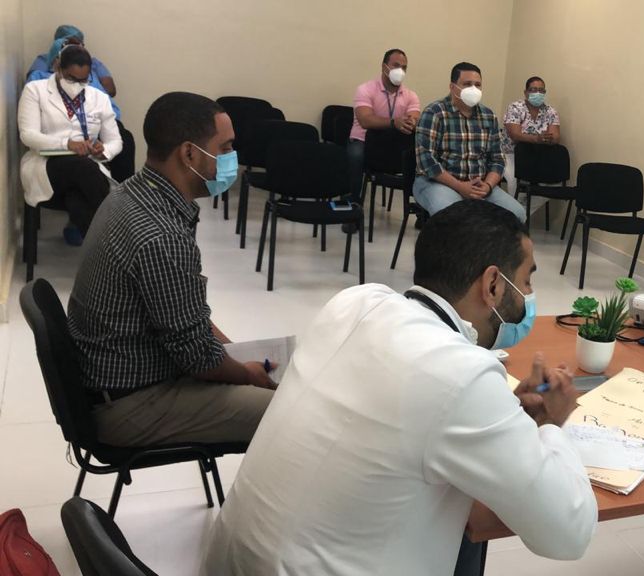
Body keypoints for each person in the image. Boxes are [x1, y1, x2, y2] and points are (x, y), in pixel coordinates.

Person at [202, 200, 596, 576]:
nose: (528, 297)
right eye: (526, 281)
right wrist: (550, 424)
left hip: (230, 560)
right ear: (493, 284)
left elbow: (407, 414)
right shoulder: (463, 373)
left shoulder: (356, 302)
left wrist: (505, 413)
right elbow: (569, 533)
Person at [67, 92, 276, 448]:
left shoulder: (130, 193)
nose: (232, 159)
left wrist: (235, 351)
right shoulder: (161, 235)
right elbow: (197, 358)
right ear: (189, 154)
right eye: (225, 148)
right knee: (295, 415)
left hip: (116, 380)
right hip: (130, 404)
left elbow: (185, 317)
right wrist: (246, 373)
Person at [18, 44, 122, 245]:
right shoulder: (35, 90)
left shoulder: (99, 98)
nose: (77, 85)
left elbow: (115, 141)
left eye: (84, 80)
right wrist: (67, 144)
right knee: (83, 168)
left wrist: (103, 151)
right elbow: (28, 135)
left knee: (78, 202)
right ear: (58, 68)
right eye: (71, 78)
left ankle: (104, 252)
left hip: (86, 171)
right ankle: (119, 232)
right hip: (47, 165)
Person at [414, 62, 527, 222]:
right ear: (452, 87)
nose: (473, 89)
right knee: (456, 218)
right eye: (467, 84)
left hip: (480, 186)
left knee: (517, 215)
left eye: (477, 85)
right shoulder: (434, 113)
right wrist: (460, 186)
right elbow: (426, 161)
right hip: (438, 183)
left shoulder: (488, 116)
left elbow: (498, 159)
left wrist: (487, 186)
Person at [346, 48, 421, 198]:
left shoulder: (411, 96)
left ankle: (416, 204)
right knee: (355, 155)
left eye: (404, 67)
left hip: (392, 144)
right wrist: (394, 123)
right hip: (363, 141)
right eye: (396, 65)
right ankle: (352, 200)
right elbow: (365, 120)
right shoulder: (365, 89)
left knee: (418, 156)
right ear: (384, 66)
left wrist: (410, 122)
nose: (400, 71)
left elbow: (413, 119)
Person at [502, 76, 561, 197]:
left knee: (553, 183)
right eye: (533, 90)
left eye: (541, 90)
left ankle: (523, 207)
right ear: (525, 92)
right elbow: (515, 135)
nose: (537, 93)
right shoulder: (515, 107)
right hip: (511, 154)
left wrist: (548, 139)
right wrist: (537, 139)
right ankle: (516, 206)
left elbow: (555, 137)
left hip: (537, 155)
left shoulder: (550, 111)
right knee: (514, 180)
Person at [27, 25, 117, 98]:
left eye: (79, 45)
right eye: (69, 44)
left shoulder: (93, 73)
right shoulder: (40, 70)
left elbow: (110, 92)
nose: (74, 49)